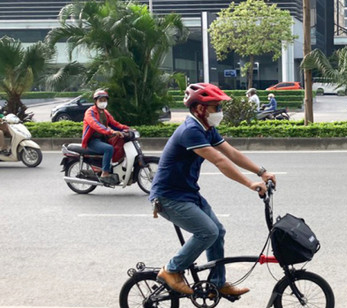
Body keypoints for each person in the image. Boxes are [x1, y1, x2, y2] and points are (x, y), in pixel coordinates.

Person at [149, 83, 276, 296]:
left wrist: (261, 172)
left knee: (218, 232)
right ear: (200, 109)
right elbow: (219, 160)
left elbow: (231, 153)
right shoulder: (190, 131)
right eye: (215, 107)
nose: (219, 112)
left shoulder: (206, 128)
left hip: (188, 194)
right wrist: (249, 184)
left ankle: (217, 283)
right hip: (168, 197)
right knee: (207, 231)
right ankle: (171, 270)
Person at [82, 89, 130, 184]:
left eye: (105, 100)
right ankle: (105, 173)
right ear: (96, 101)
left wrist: (128, 129)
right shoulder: (90, 112)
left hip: (103, 138)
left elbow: (115, 124)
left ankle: (112, 167)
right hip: (92, 140)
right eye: (101, 100)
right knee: (109, 149)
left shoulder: (105, 112)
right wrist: (111, 131)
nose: (103, 102)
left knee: (119, 144)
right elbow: (96, 125)